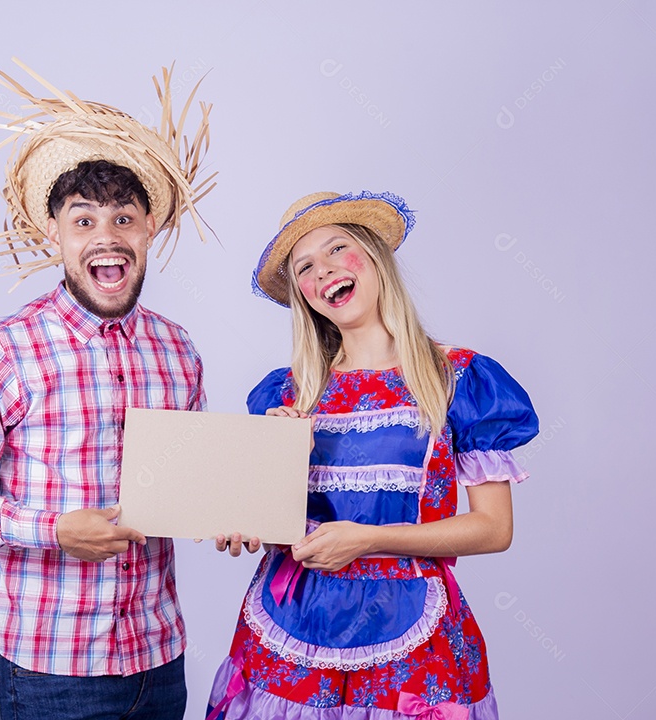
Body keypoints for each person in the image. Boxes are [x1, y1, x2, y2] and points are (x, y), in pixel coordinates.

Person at [0, 59, 215, 720]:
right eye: (83, 221)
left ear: (149, 230)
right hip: (53, 667)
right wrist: (52, 530)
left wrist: (237, 513)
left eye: (123, 219)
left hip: (161, 656)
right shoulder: (3, 348)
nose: (105, 237)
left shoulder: (179, 351)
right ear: (52, 233)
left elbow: (187, 488)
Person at [207, 191, 539, 718]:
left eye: (339, 249)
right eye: (306, 268)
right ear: (303, 295)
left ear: (375, 257)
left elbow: (494, 529)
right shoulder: (288, 394)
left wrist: (369, 540)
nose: (325, 272)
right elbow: (274, 525)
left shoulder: (457, 379)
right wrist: (245, 513)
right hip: (290, 630)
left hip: (412, 637)